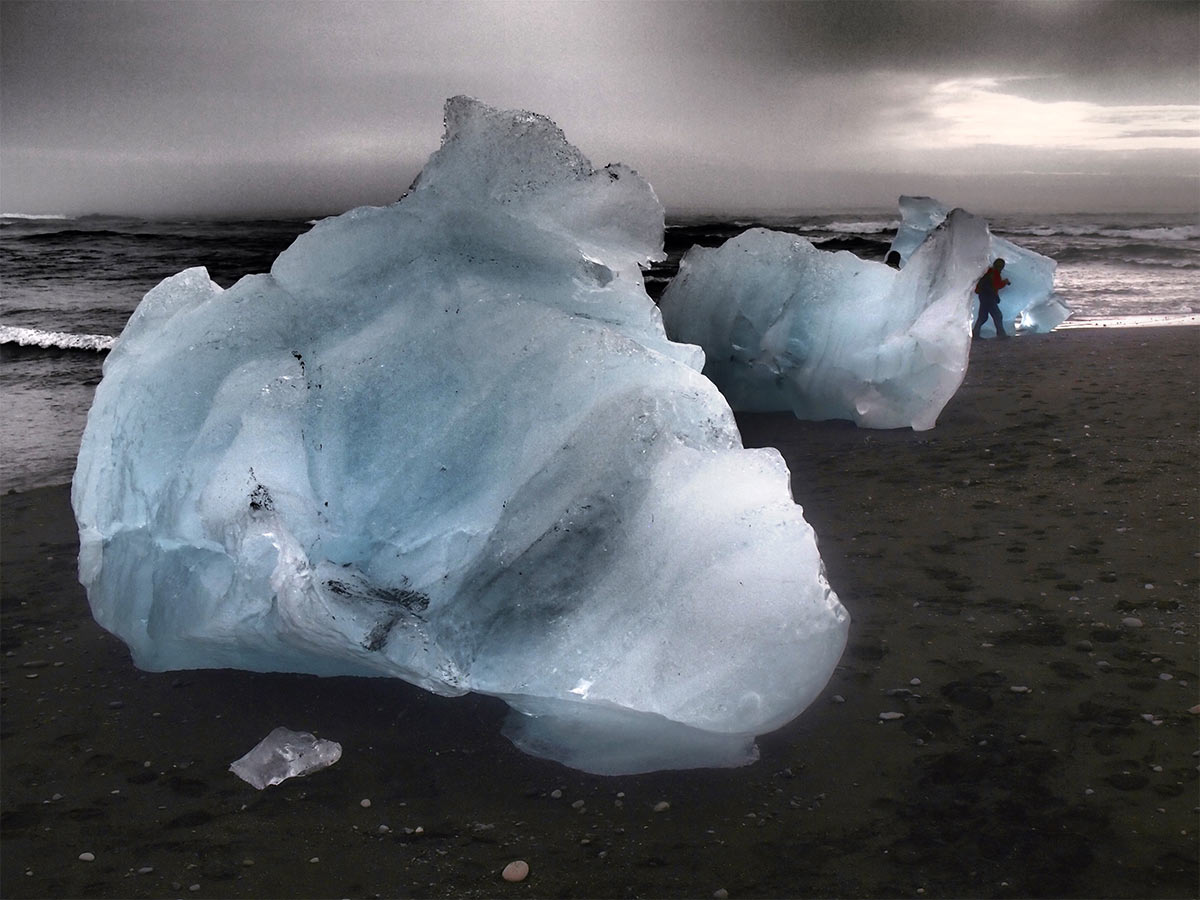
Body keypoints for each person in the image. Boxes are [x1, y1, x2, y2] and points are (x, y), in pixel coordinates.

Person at [973, 258, 1010, 340]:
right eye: (1001, 266)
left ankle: (975, 334)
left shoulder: (989, 272)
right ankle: (1001, 334)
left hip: (983, 296)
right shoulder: (994, 273)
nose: (1001, 268)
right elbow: (996, 285)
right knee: (997, 315)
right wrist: (1005, 282)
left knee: (983, 317)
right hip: (989, 297)